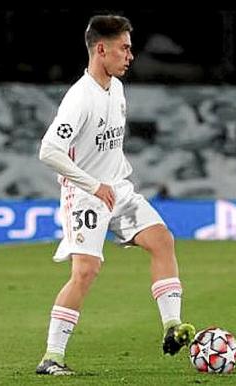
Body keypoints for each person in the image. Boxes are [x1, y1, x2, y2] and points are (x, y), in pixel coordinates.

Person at [35, 14, 195, 376]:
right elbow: (48, 150)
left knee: (161, 240)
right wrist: (93, 184)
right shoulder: (80, 98)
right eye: (124, 48)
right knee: (86, 272)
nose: (130, 55)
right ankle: (51, 357)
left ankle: (172, 327)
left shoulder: (116, 89)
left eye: (130, 48)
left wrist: (112, 180)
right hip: (87, 194)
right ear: (101, 49)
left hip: (117, 189)